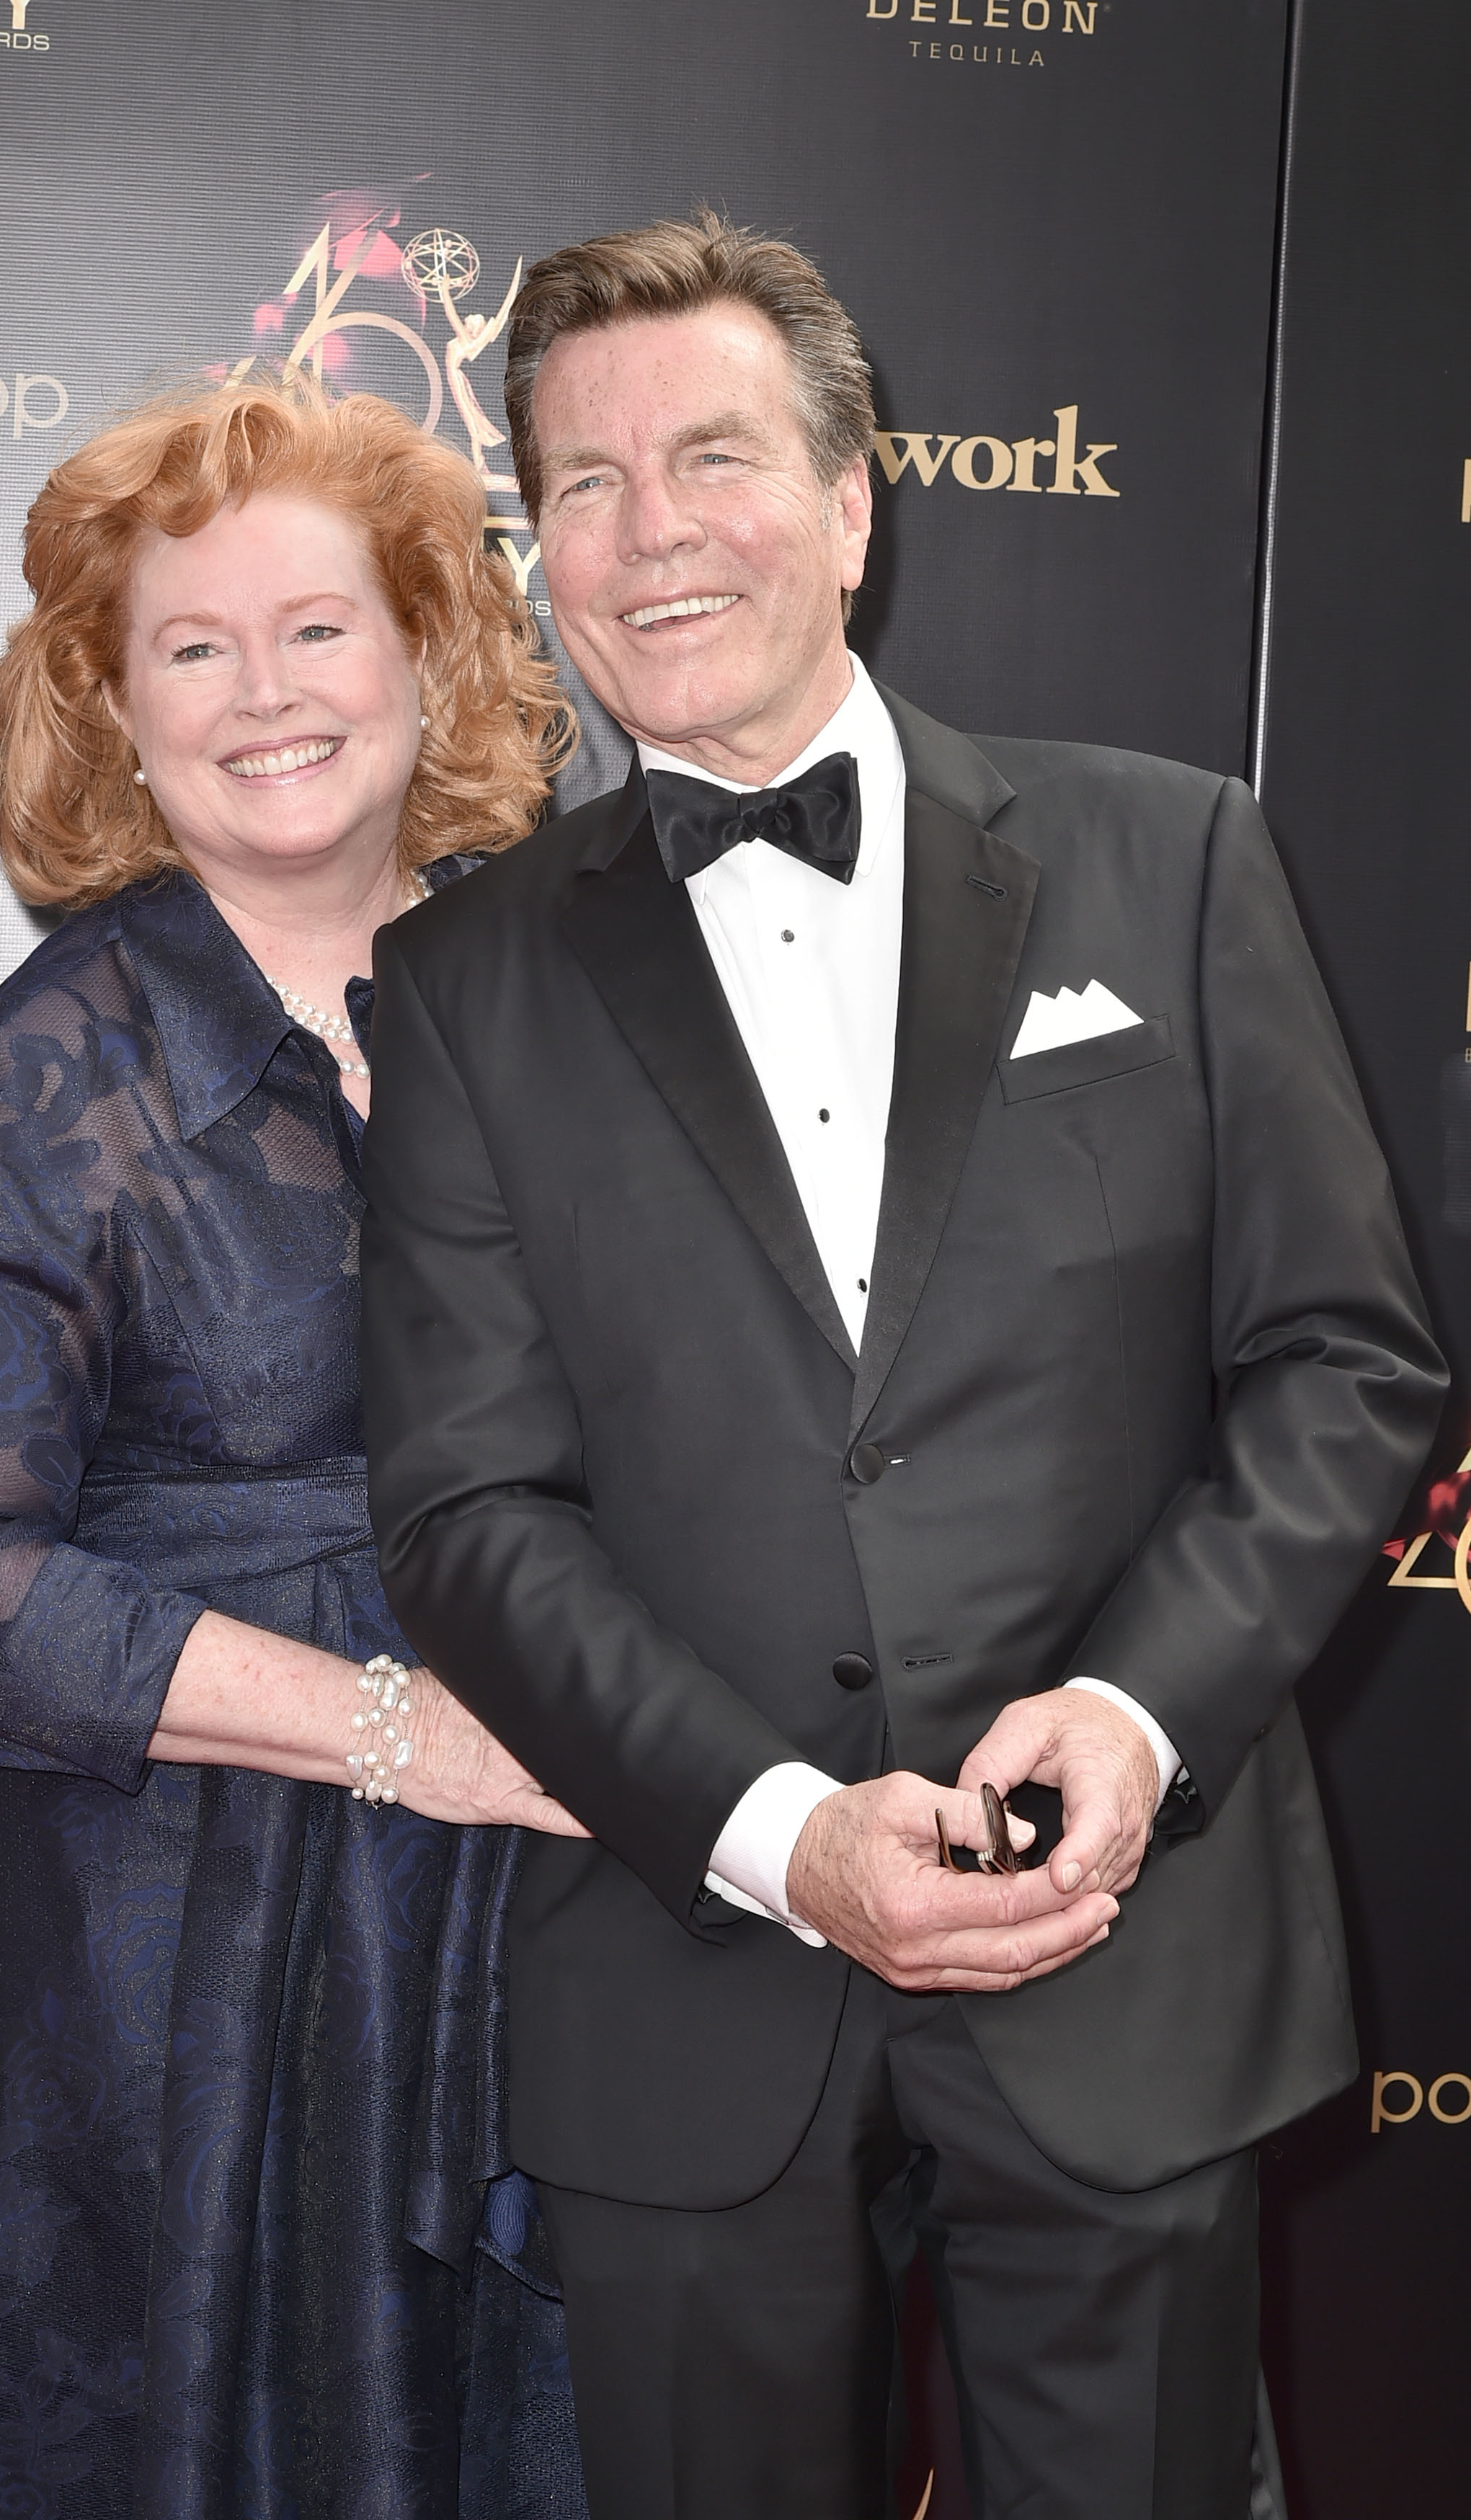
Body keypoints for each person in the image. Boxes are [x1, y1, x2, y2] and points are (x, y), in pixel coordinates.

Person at [357, 213, 1446, 2520]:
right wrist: (779, 1836)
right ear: (533, 544)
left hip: (1120, 1945)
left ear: (856, 503)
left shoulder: (1173, 858)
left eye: (715, 458)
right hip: (693, 1986)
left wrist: (1140, 1713)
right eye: (579, 484)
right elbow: (464, 1510)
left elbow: (1348, 1359)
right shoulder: (461, 988)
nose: (649, 535)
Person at [0, 377, 590, 2520]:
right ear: (114, 714)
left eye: (318, 627)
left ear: (429, 647)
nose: (266, 696)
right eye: (190, 649)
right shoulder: (54, 1067)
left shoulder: (563, 1001)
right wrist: (407, 1734)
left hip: (544, 1913)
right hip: (160, 1955)